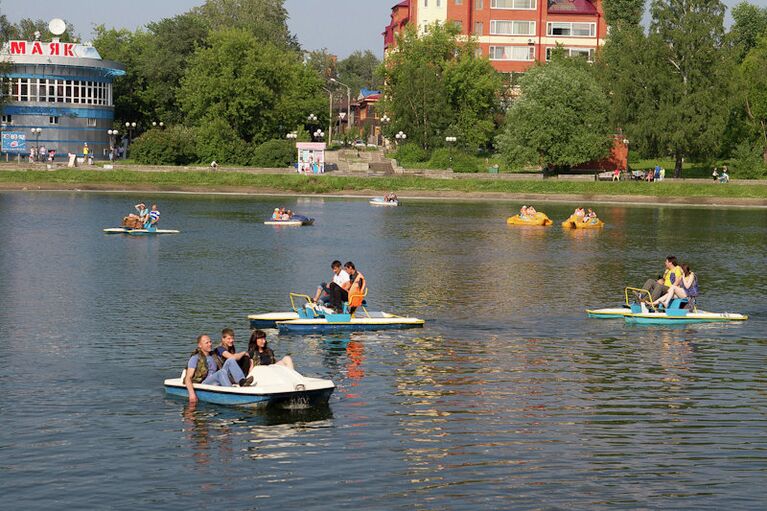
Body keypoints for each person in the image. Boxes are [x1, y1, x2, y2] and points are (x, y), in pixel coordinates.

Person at [184, 334, 254, 404]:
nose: (210, 344)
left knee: (230, 360)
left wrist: (246, 357)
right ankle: (231, 392)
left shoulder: (213, 354)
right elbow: (188, 378)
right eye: (207, 343)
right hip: (205, 383)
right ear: (200, 345)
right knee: (221, 372)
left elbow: (230, 355)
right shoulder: (195, 358)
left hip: (217, 378)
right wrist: (192, 394)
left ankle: (242, 381)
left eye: (210, 342)